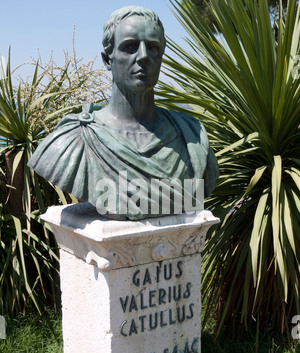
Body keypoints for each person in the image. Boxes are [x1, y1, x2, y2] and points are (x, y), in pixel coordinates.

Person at [28, 6, 219, 220]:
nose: (144, 57)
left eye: (153, 48)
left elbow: (197, 192)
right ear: (107, 59)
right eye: (130, 47)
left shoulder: (191, 137)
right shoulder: (72, 142)